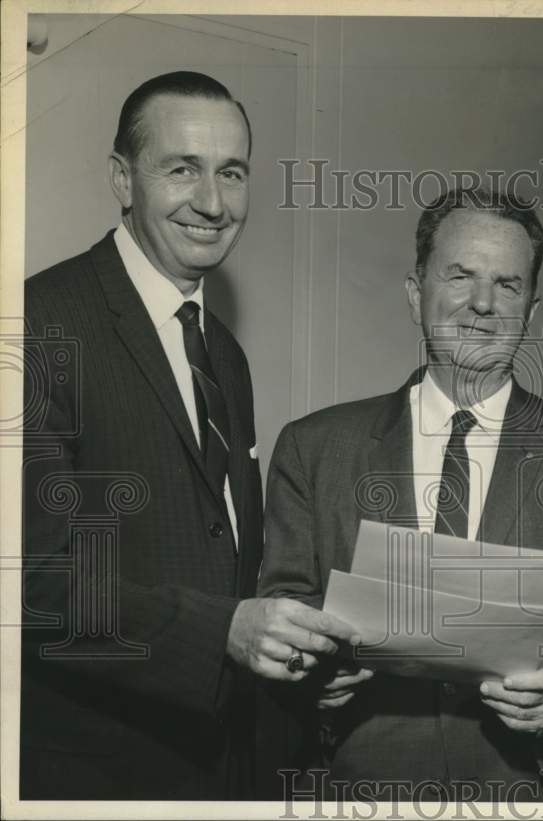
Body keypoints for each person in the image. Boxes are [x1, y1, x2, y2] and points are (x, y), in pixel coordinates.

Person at [21, 71, 355, 800]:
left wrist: (296, 654)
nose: (212, 202)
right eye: (182, 169)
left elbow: (221, 556)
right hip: (92, 779)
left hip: (221, 771)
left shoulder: (224, 354)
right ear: (121, 178)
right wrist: (222, 633)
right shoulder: (36, 327)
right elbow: (33, 582)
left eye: (231, 173)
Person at [256, 188, 543, 801]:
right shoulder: (314, 447)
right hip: (361, 792)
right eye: (460, 276)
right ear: (416, 294)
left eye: (507, 284)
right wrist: (309, 671)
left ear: (531, 309)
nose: (483, 303)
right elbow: (284, 604)